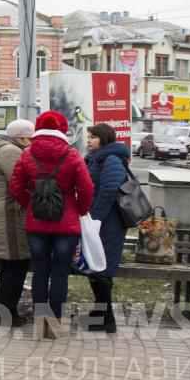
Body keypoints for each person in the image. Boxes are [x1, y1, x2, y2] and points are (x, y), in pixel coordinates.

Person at [10, 111, 94, 338]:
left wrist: (30, 204)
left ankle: (40, 322)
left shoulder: (27, 154)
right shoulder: (72, 154)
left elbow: (16, 186)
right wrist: (80, 209)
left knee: (40, 271)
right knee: (60, 273)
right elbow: (86, 187)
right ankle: (54, 323)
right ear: (63, 129)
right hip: (66, 225)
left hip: (36, 224)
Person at [0, 119, 35, 327]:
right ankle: (4, 313)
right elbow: (21, 182)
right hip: (9, 214)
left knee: (12, 265)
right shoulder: (10, 152)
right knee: (15, 264)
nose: (33, 142)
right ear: (22, 138)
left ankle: (4, 310)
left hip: (8, 212)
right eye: (31, 138)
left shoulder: (7, 149)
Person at [84, 124, 131, 333]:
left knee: (102, 268)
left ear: (104, 139)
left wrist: (95, 218)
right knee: (96, 267)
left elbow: (110, 188)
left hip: (108, 223)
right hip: (100, 221)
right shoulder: (97, 157)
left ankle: (107, 319)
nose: (89, 140)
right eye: (88, 137)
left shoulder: (111, 159)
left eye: (93, 137)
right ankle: (100, 314)